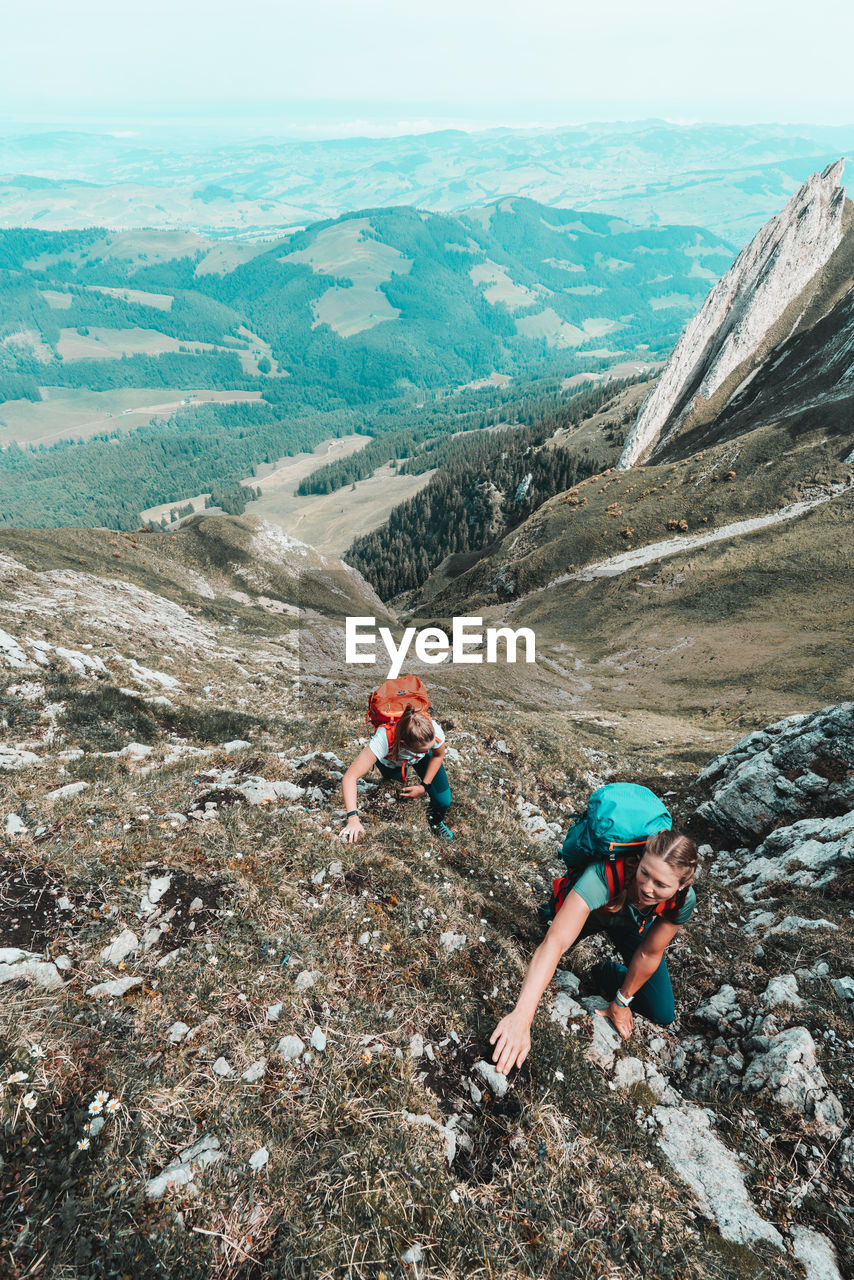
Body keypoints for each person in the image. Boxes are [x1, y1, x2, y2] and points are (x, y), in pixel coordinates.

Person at [490, 830, 698, 1075]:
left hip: (632, 924)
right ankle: (551, 912)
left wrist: (622, 1001)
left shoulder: (683, 900)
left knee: (661, 1011)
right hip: (592, 910)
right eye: (644, 873)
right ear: (640, 859)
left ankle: (606, 974)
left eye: (661, 884)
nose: (647, 888)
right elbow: (555, 942)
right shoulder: (604, 874)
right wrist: (522, 1017)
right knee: (535, 944)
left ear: (682, 884)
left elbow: (649, 954)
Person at [339, 704, 453, 843]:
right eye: (422, 750)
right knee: (396, 786)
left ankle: (435, 822)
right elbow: (350, 777)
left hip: (420, 760)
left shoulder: (433, 731)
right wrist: (353, 819)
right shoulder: (383, 740)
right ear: (404, 743)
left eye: (430, 747)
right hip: (391, 761)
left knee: (443, 800)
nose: (427, 751)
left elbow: (437, 755)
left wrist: (424, 786)